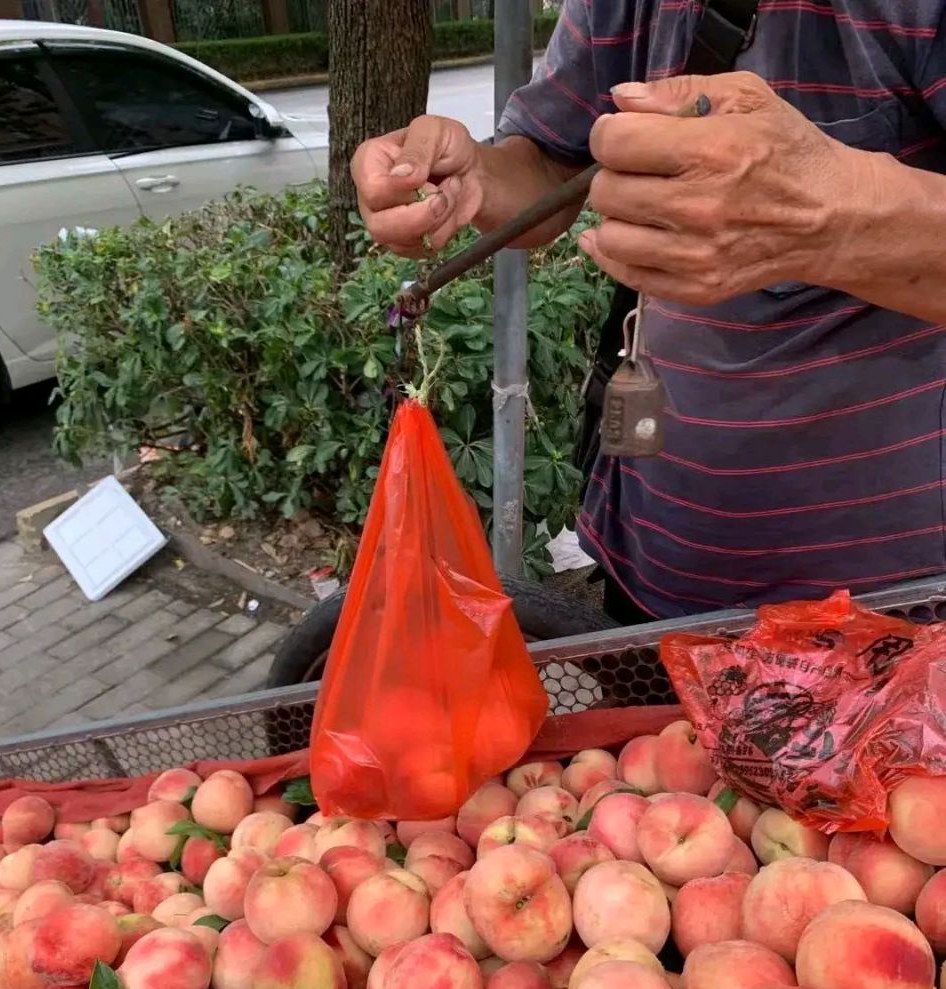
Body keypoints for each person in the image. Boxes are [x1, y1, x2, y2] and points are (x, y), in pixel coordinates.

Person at [351, 1, 946, 625]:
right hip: (656, 574)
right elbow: (553, 159)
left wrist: (833, 216)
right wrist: (478, 176)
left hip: (894, 615)